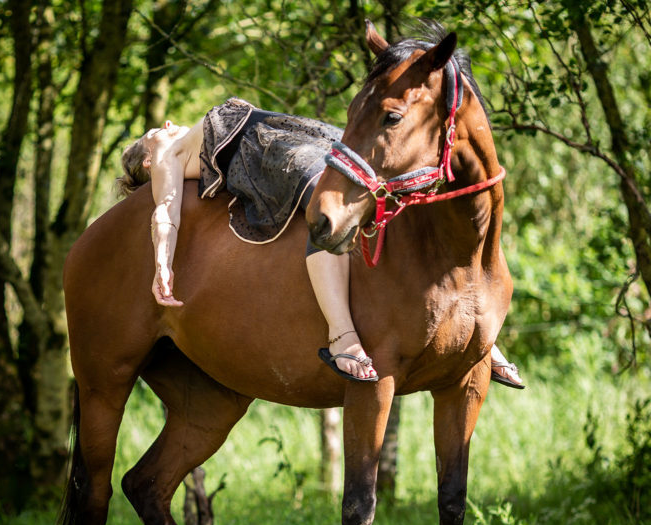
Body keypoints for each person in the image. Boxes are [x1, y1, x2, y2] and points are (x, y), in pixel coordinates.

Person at [117, 98, 524, 389]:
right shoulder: (166, 157)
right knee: (330, 204)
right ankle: (341, 334)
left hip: (287, 131)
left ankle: (480, 337)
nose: (165, 125)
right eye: (151, 135)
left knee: (386, 174)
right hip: (262, 149)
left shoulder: (183, 144)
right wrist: (162, 267)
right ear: (148, 164)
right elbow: (165, 211)